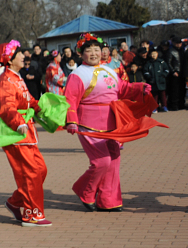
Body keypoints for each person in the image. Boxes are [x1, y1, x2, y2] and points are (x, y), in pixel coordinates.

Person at [65, 34, 153, 212]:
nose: (94, 53)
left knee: (114, 160)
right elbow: (70, 99)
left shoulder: (109, 70)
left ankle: (108, 200)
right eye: (88, 50)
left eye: (96, 50)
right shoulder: (78, 74)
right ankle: (85, 190)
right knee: (101, 161)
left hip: (113, 122)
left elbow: (122, 88)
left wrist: (139, 87)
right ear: (81, 53)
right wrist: (71, 120)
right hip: (89, 124)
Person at [0, 42, 51, 227]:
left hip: (27, 133)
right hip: (16, 133)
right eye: (19, 54)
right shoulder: (5, 81)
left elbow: (27, 99)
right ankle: (32, 214)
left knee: (40, 170)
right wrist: (18, 122)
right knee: (30, 173)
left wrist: (41, 108)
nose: (24, 56)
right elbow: (7, 106)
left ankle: (15, 202)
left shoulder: (17, 77)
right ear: (10, 59)